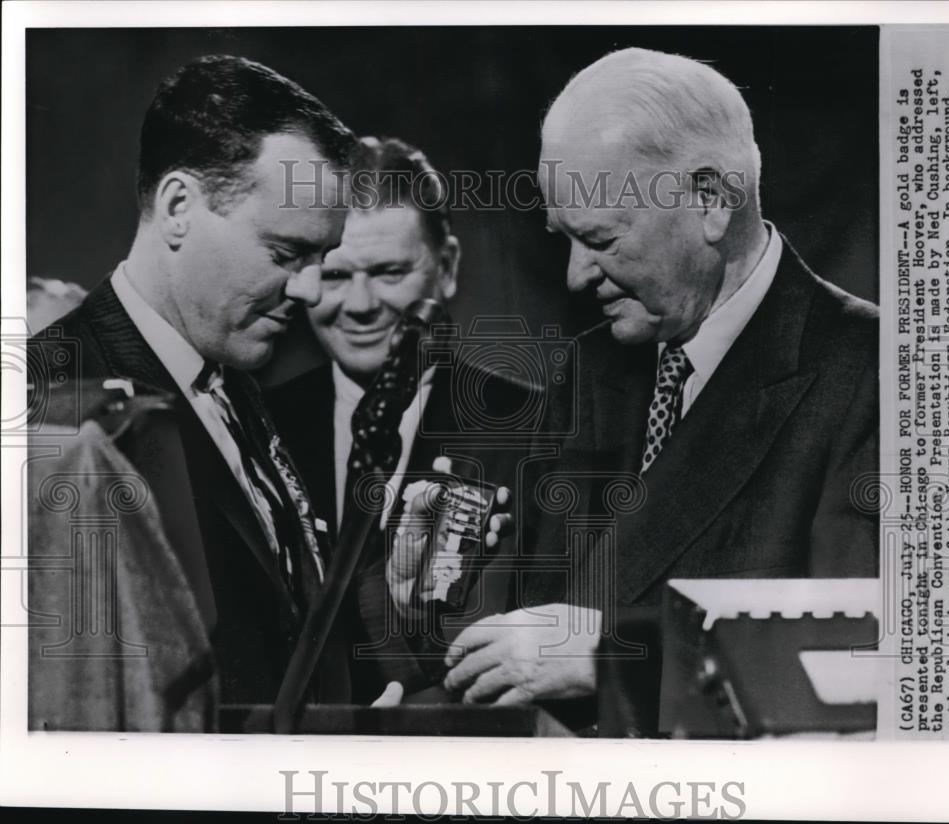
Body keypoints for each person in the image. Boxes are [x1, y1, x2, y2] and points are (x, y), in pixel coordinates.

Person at [433, 48, 879, 708]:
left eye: (603, 241)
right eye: (565, 239)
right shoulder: (586, 372)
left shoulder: (877, 375)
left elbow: (868, 659)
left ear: (711, 202)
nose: (575, 277)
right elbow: (518, 626)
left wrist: (612, 661)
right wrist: (428, 580)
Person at [29, 54, 373, 709]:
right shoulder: (51, 401)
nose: (308, 288)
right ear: (179, 205)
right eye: (285, 253)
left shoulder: (236, 379)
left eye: (320, 258)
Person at [265, 136, 528, 700]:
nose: (359, 305)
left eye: (387, 272)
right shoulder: (258, 422)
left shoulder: (532, 426)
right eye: (334, 276)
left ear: (448, 267)